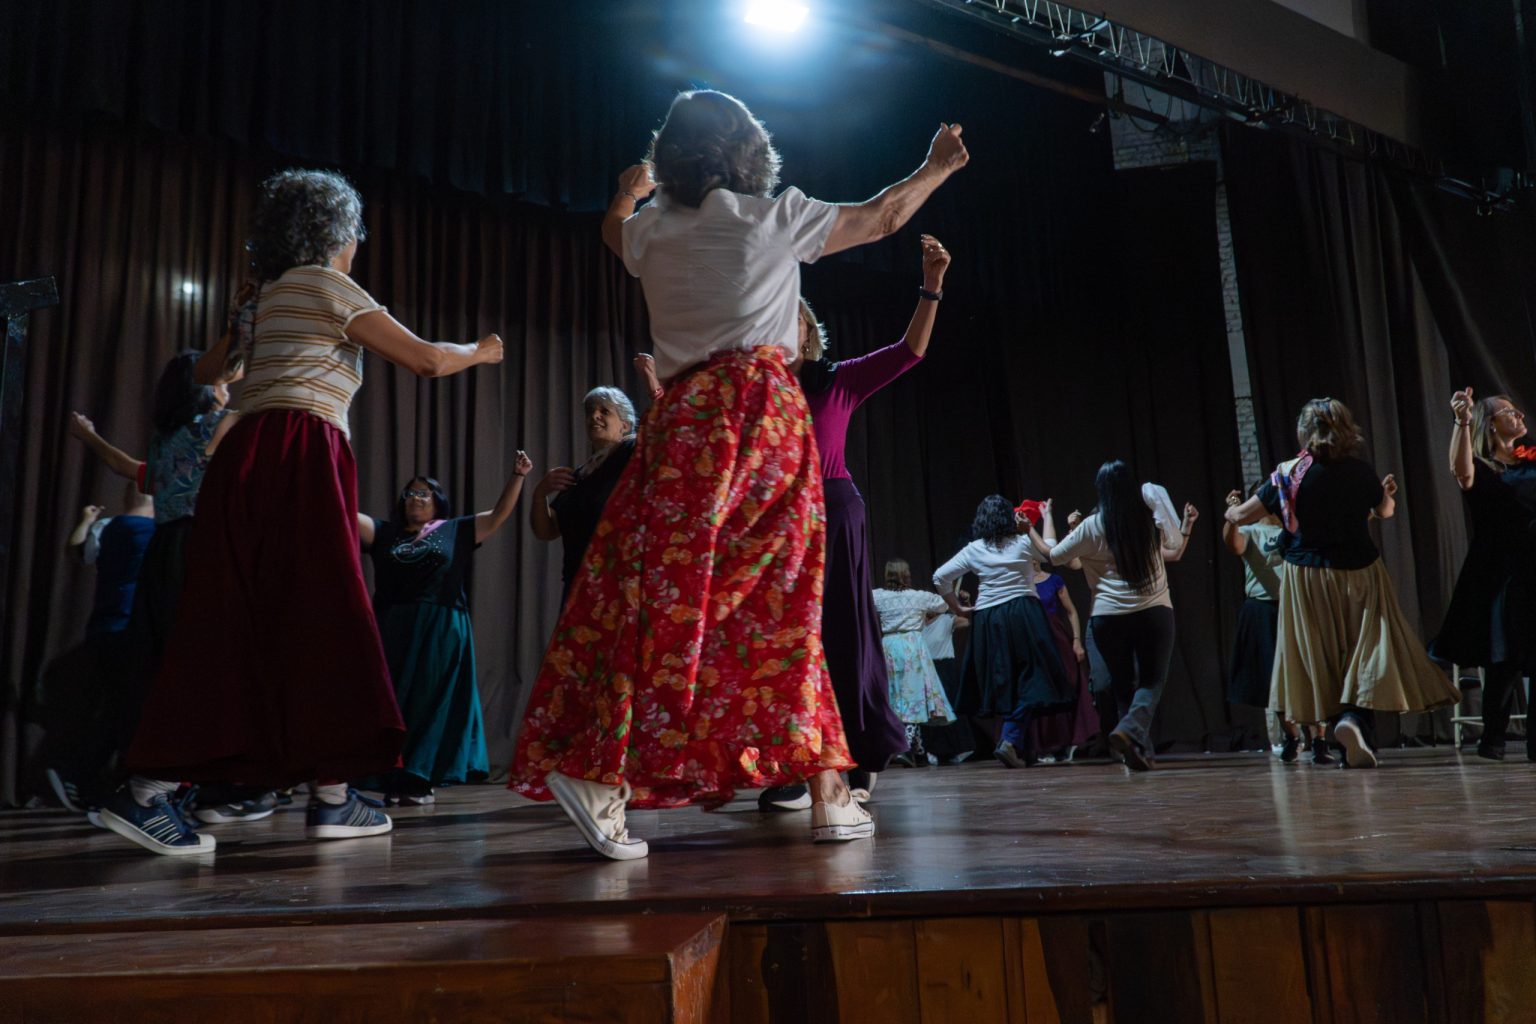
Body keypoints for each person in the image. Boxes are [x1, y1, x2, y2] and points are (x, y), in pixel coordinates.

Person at [512, 89, 969, 860]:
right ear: (749, 152)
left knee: (665, 598)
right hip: (759, 415)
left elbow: (612, 230)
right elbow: (884, 216)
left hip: (683, 420)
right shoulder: (772, 216)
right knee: (782, 601)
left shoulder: (650, 231)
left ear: (670, 159)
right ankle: (825, 796)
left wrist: (629, 190)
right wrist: (934, 168)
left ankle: (611, 772)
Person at [101, 168, 504, 856]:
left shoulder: (263, 295)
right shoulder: (327, 284)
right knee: (330, 614)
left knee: (238, 620)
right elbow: (428, 362)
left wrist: (241, 324)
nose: (357, 246)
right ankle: (329, 795)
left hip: (244, 459)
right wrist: (483, 351)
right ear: (337, 232)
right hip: (302, 447)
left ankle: (173, 790)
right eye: (355, 234)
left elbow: (208, 376)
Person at [758, 234, 951, 809]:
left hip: (835, 516)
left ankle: (860, 758)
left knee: (844, 637)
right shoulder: (761, 393)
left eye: (786, 319)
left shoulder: (836, 379)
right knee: (791, 646)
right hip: (782, 526)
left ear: (806, 331)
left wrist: (932, 286)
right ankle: (801, 763)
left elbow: (909, 350)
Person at [1225, 398, 1459, 768]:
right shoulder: (1360, 472)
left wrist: (1230, 510)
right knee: (1366, 651)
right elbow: (1384, 511)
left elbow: (1241, 514)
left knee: (1322, 659)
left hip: (1308, 577)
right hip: (1361, 572)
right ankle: (1354, 722)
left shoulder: (1289, 474)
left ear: (1305, 431)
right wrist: (1386, 496)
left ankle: (1344, 728)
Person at [360, 454, 532, 805]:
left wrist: (518, 476)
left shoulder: (455, 530)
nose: (416, 498)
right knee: (393, 702)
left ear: (438, 502)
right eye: (410, 493)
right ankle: (390, 773)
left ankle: (419, 778)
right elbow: (343, 512)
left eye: (424, 493)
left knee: (430, 702)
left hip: (441, 626)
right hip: (393, 626)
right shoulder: (384, 532)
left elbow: (498, 516)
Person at [1049, 465, 1198, 772]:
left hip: (1109, 616)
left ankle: (1136, 750)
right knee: (1152, 680)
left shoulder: (1092, 525)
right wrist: (1184, 527)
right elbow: (1174, 550)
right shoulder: (1145, 517)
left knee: (1122, 685)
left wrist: (1036, 536)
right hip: (1153, 610)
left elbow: (1057, 557)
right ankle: (1130, 732)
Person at [1432, 388, 1536, 760]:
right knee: (1504, 658)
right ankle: (1493, 738)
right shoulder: (1484, 466)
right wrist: (1462, 421)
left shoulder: (1531, 459)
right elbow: (1461, 472)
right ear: (1490, 425)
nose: (1519, 415)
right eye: (1509, 412)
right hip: (1503, 574)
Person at [934, 495, 1071, 769]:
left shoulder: (974, 549)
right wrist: (1046, 517)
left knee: (1007, 681)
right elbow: (1052, 551)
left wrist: (958, 608)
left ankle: (1020, 745)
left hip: (989, 619)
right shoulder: (1023, 542)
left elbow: (940, 577)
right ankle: (1011, 739)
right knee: (1034, 678)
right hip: (1023, 614)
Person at [1221, 485, 1330, 764]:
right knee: (1276, 677)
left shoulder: (1295, 528)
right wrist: (1233, 516)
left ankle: (1319, 738)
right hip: (1263, 609)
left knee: (1308, 673)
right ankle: (1292, 736)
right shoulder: (1251, 531)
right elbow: (1233, 545)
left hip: (1295, 606)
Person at [530, 387, 638, 604]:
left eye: (605, 411)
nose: (594, 416)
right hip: (578, 584)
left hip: (617, 582)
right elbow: (547, 530)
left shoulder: (632, 453)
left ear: (625, 425)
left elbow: (663, 431)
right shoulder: (580, 474)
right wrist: (540, 494)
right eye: (590, 411)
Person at [872, 558, 955, 766]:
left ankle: (919, 751)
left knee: (897, 696)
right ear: (906, 575)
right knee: (913, 696)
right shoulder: (919, 597)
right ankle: (905, 748)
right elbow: (943, 605)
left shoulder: (877, 596)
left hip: (889, 645)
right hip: (911, 646)